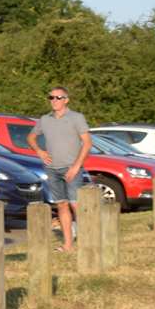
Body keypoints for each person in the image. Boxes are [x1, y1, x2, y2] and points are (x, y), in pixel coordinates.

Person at [28, 86, 91, 253]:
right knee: (61, 205)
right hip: (52, 168)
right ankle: (68, 245)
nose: (54, 100)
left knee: (76, 204)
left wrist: (76, 166)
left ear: (66, 100)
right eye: (51, 98)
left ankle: (88, 243)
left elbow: (87, 143)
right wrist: (39, 152)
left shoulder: (76, 117)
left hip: (72, 167)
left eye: (58, 97)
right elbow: (31, 137)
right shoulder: (45, 119)